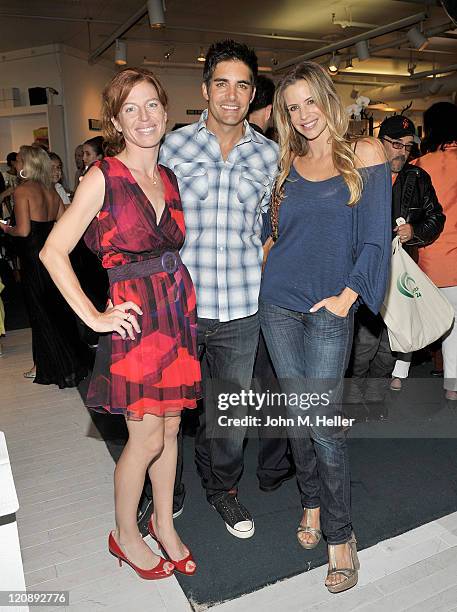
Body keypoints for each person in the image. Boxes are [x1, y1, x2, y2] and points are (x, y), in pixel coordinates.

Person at [40, 67, 201, 579]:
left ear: (166, 111)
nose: (144, 116)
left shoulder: (169, 177)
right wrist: (94, 315)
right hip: (135, 322)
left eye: (151, 104)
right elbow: (52, 251)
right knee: (145, 438)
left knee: (171, 427)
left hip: (174, 314)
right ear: (115, 119)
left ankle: (163, 523)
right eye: (130, 108)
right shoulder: (103, 176)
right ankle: (124, 534)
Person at [259, 61, 391, 593]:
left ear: (328, 100)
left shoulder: (365, 154)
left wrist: (348, 296)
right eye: (293, 107)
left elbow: (377, 238)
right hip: (278, 304)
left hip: (331, 309)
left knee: (324, 424)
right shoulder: (286, 161)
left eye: (311, 101)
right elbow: (274, 232)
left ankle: (341, 535)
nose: (304, 114)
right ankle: (310, 502)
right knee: (298, 418)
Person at [160, 39, 279, 538]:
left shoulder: (271, 155)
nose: (232, 95)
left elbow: (271, 228)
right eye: (222, 84)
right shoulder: (171, 146)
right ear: (205, 89)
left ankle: (223, 490)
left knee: (228, 415)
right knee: (168, 414)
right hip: (181, 305)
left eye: (243, 85)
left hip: (241, 309)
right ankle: (168, 493)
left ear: (253, 94)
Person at [349, 115, 444, 397]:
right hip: (365, 270)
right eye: (395, 144)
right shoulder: (357, 174)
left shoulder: (417, 178)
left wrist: (413, 231)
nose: (401, 151)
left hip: (400, 273)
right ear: (380, 142)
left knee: (391, 343)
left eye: (407, 146)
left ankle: (376, 398)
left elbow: (436, 217)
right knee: (363, 342)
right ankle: (353, 398)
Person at [0, 145, 88, 385]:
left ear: (27, 165)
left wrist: (6, 228)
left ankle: (50, 367)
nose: (15, 165)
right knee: (58, 310)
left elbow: (24, 230)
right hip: (54, 257)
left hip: (34, 259)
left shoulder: (22, 192)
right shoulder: (51, 191)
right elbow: (63, 223)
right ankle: (62, 363)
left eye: (18, 161)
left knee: (40, 314)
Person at [414, 102, 457, 403]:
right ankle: (452, 387)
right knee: (455, 329)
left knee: (413, 319)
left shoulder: (418, 166)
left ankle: (398, 376)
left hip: (427, 260)